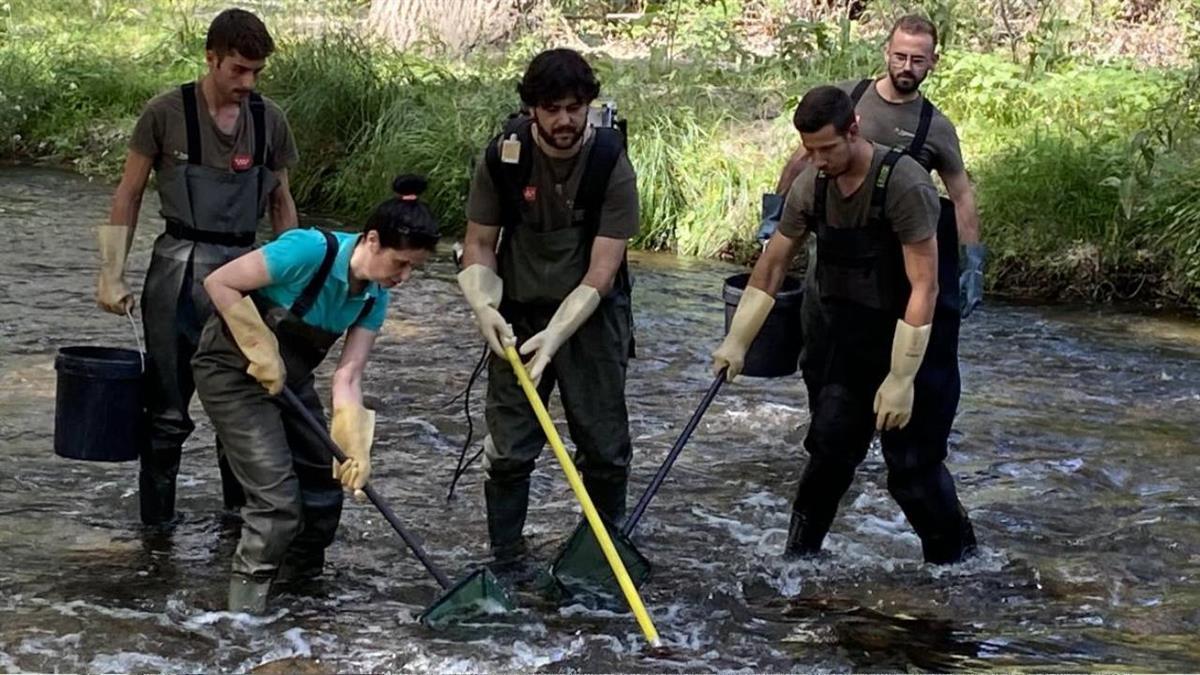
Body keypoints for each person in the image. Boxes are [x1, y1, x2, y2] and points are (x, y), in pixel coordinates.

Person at [715, 86, 976, 565]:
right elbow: (773, 265)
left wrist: (901, 379)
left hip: (916, 344)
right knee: (829, 454)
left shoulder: (905, 184)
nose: (818, 161)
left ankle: (958, 566)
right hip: (848, 342)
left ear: (853, 130)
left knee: (911, 472)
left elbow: (925, 287)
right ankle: (798, 562)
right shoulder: (811, 185)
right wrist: (737, 342)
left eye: (828, 149)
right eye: (809, 150)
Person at [192, 174, 439, 613]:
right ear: (372, 240)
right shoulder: (309, 250)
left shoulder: (373, 298)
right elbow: (220, 283)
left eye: (413, 270)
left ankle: (299, 601)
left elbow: (346, 377)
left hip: (291, 380)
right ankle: (242, 620)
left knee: (324, 492)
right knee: (276, 503)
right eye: (401, 263)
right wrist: (259, 345)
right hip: (231, 371)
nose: (403, 278)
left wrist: (355, 449)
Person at [94, 8, 299, 526]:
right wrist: (110, 273)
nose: (247, 83)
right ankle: (155, 536)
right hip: (176, 272)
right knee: (165, 417)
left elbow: (282, 204)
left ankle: (239, 526)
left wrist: (295, 283)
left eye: (256, 72)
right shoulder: (164, 113)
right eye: (238, 70)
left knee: (246, 407)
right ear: (211, 59)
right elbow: (129, 193)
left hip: (246, 272)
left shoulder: (269, 120)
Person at [456, 48, 640, 579]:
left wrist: (557, 335)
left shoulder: (610, 163)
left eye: (575, 108)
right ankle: (508, 561)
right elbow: (480, 244)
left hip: (591, 318)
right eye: (552, 108)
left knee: (604, 448)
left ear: (589, 106)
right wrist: (483, 306)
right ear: (532, 108)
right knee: (509, 450)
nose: (565, 121)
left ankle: (600, 560)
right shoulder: (503, 157)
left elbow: (603, 272)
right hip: (517, 314)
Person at [767, 15, 985, 317]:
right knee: (818, 337)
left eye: (918, 60)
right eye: (900, 56)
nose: (907, 66)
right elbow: (802, 157)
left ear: (933, 61)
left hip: (893, 263)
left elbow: (961, 197)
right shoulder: (847, 98)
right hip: (831, 250)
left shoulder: (935, 127)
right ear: (887, 53)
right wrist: (774, 212)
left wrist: (972, 261)